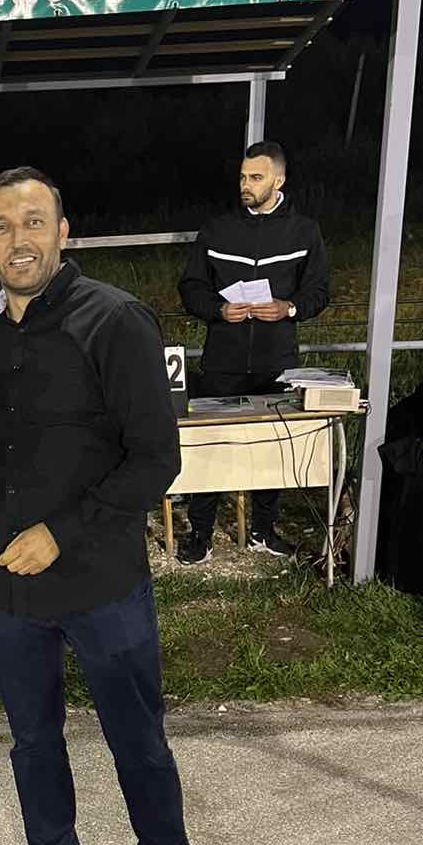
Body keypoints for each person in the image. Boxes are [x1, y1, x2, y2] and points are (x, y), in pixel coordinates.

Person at [0, 166, 211, 845]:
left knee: (137, 739)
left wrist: (62, 532)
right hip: (7, 585)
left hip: (102, 579)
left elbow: (156, 458)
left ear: (64, 232)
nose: (19, 240)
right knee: (33, 741)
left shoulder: (115, 320)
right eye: (2, 226)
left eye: (34, 222)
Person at [177, 140, 331, 564]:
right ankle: (201, 533)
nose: (246, 184)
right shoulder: (216, 229)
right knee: (211, 445)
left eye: (256, 177)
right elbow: (191, 286)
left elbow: (319, 290)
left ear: (278, 180)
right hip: (222, 360)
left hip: (276, 359)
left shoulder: (304, 232)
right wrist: (218, 309)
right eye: (243, 177)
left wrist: (289, 308)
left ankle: (264, 528)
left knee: (272, 445)